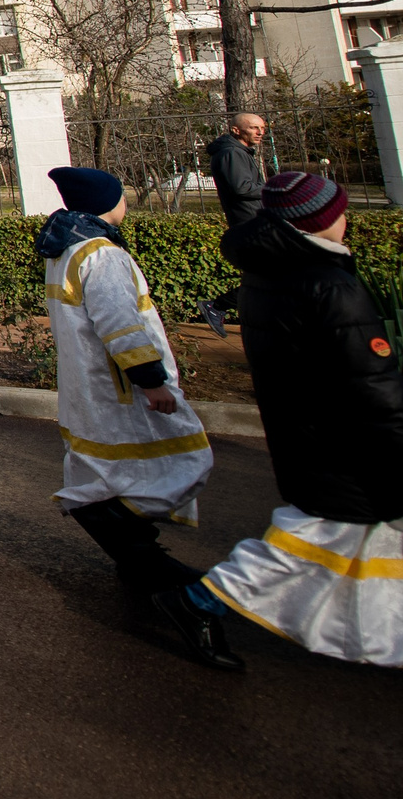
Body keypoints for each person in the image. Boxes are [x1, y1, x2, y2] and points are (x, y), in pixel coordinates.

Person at [203, 172, 403, 666]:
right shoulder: (329, 283)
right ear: (319, 222)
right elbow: (372, 383)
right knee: (305, 544)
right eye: (340, 211)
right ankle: (197, 601)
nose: (346, 219)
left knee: (332, 542)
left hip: (308, 432)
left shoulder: (269, 272)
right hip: (342, 440)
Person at [38, 164, 232, 670]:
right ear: (106, 202)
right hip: (123, 390)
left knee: (106, 473)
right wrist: (150, 381)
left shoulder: (69, 248)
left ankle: (138, 558)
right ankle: (162, 576)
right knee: (181, 463)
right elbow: (120, 323)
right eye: (121, 196)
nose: (127, 202)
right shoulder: (100, 254)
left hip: (97, 388)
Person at [199, 112, 270, 339]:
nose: (260, 132)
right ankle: (217, 306)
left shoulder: (239, 152)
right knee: (269, 278)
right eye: (254, 128)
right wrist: (274, 189)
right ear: (236, 130)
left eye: (262, 128)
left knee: (267, 278)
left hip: (254, 223)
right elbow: (241, 188)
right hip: (249, 225)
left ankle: (219, 307)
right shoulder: (231, 153)